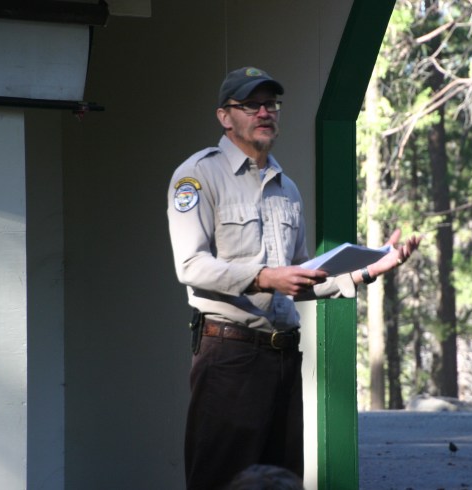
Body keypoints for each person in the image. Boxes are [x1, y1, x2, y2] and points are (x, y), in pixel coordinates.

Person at [167, 66, 421, 490]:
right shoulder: (197, 176)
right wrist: (266, 277)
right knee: (221, 481)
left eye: (271, 104)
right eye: (251, 105)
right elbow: (190, 266)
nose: (264, 112)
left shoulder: (287, 188)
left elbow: (301, 275)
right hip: (229, 355)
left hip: (283, 358)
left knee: (281, 480)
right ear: (225, 116)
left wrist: (368, 270)